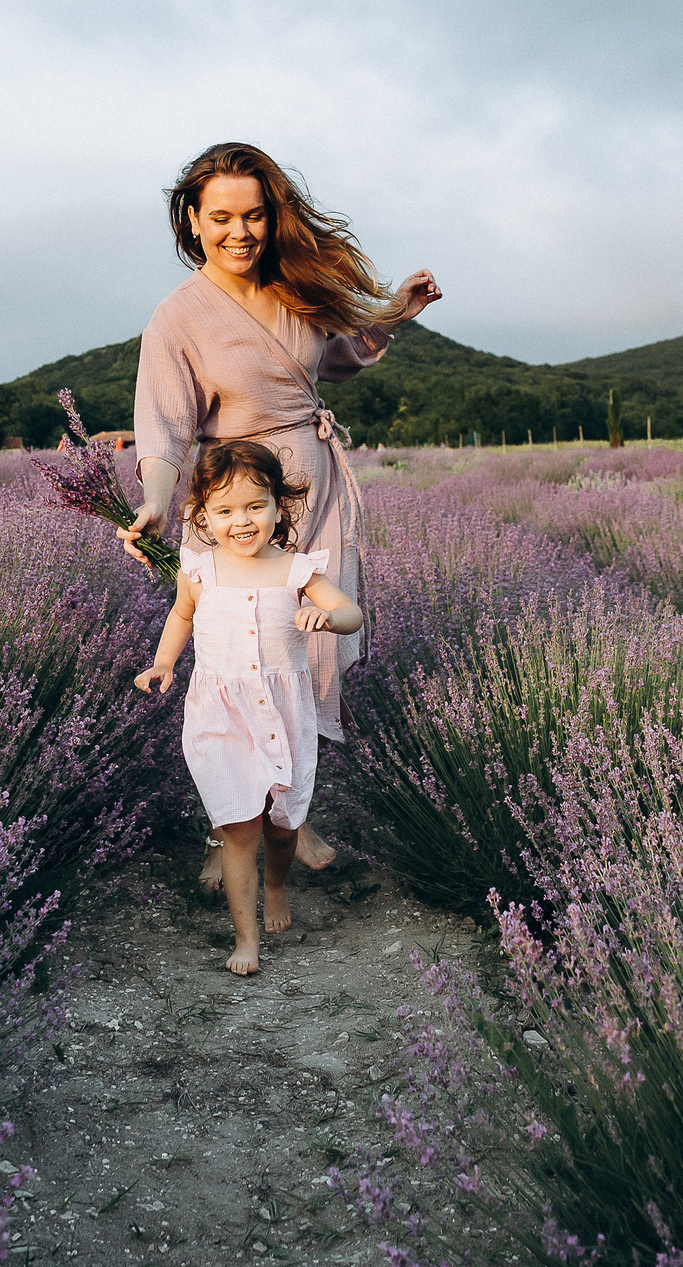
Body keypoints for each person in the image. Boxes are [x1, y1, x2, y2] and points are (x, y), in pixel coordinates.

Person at [121, 143, 442, 891]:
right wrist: (156, 500)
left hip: (313, 498)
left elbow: (334, 357)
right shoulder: (177, 319)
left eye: (255, 214)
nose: (241, 231)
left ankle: (286, 817)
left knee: (308, 661)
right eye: (222, 216)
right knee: (236, 665)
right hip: (237, 508)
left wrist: (395, 312)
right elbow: (164, 427)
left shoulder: (294, 284)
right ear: (192, 221)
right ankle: (226, 825)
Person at [134, 441, 364, 974]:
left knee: (282, 826)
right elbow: (181, 616)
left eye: (255, 506)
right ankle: (246, 937)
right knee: (239, 827)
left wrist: (328, 618)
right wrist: (164, 663)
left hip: (285, 714)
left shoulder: (297, 571)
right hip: (221, 714)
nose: (242, 521)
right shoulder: (199, 571)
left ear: (279, 505)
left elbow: (349, 611)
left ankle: (277, 884)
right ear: (202, 516)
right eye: (225, 510)